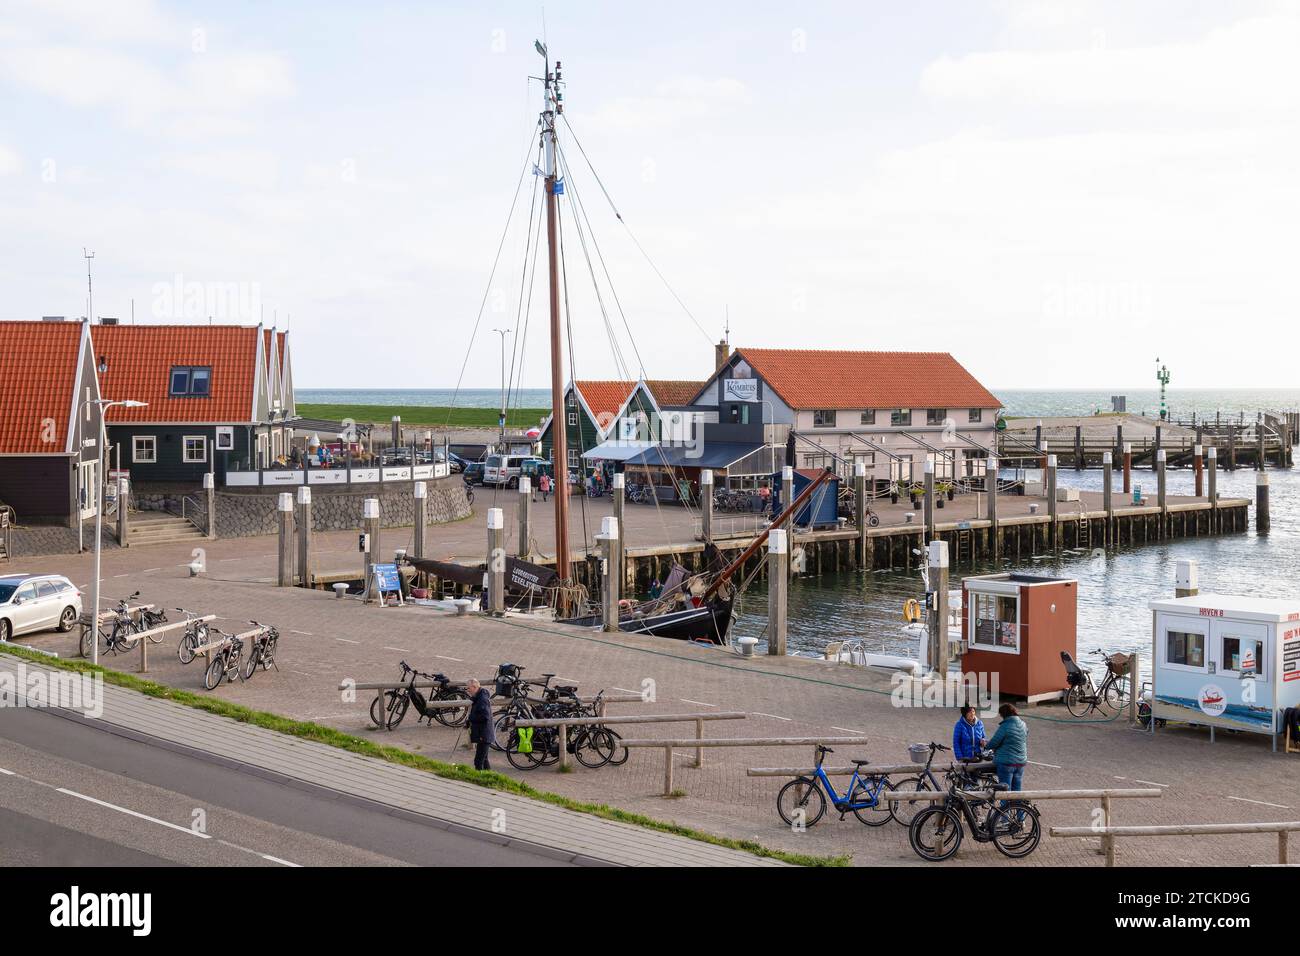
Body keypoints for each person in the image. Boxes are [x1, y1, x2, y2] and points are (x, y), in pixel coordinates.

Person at [986, 702, 1028, 818]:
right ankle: (1020, 818)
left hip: (1006, 764)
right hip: (1020, 763)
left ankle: (1005, 819)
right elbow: (1025, 736)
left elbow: (994, 742)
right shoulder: (1023, 724)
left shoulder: (1005, 726)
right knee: (1017, 793)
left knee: (1005, 793)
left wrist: (985, 745)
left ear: (1004, 714)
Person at [466, 678, 495, 771]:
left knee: (478, 761)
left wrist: (471, 719)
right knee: (484, 759)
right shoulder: (478, 697)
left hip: (484, 734)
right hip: (483, 733)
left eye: (469, 688)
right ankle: (489, 778)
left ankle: (479, 780)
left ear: (474, 687)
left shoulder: (482, 699)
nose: (468, 690)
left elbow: (484, 717)